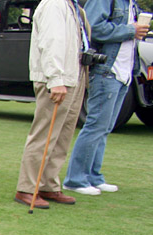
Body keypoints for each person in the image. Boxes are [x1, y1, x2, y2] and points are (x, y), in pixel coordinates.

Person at [62, 0, 148, 195]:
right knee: (96, 125)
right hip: (106, 71)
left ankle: (93, 176)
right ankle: (75, 179)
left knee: (105, 127)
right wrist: (130, 30)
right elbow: (94, 27)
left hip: (124, 73)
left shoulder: (131, 3)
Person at [14, 0, 89, 208]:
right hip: (56, 79)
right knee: (45, 134)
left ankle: (48, 184)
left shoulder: (73, 7)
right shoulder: (54, 4)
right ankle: (27, 187)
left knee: (62, 136)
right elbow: (51, 42)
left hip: (73, 76)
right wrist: (55, 79)